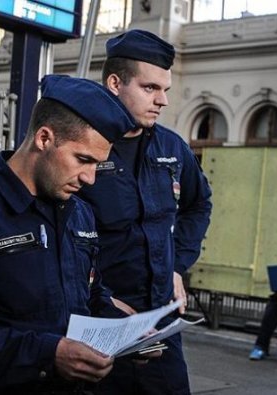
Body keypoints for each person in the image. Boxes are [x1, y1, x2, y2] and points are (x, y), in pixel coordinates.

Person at [0, 75, 137, 393]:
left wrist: (127, 333)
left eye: (97, 166)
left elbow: (89, 291)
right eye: (83, 160)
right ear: (44, 138)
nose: (89, 178)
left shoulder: (79, 212)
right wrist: (48, 354)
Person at [77, 29, 213, 395]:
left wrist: (176, 266)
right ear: (115, 83)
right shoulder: (85, 147)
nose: (163, 100)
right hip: (99, 324)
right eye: (150, 88)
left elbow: (199, 204)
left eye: (165, 89)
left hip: (161, 321)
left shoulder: (171, 148)